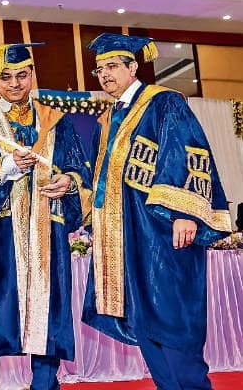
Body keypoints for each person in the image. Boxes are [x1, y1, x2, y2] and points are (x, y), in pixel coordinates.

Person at [81, 33, 232, 390]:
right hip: (127, 235)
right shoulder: (109, 119)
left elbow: (187, 151)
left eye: (112, 66)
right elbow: (98, 180)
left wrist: (185, 213)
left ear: (133, 67)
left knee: (173, 317)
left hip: (163, 230)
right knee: (144, 319)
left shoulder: (163, 102)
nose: (105, 75)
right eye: (99, 70)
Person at [0, 44, 92, 390]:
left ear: (32, 74)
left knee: (48, 316)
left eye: (22, 75)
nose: (15, 84)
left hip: (47, 235)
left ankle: (46, 385)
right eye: (6, 77)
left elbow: (80, 171)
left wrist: (69, 183)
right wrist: (4, 167)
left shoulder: (57, 123)